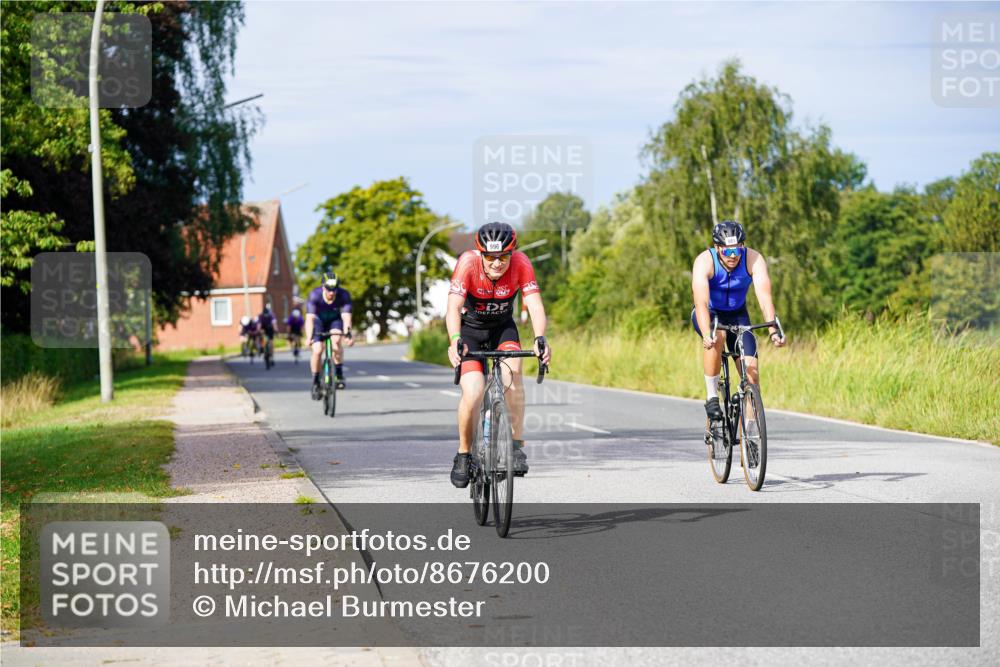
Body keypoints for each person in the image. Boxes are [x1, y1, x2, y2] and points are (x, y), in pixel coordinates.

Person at [446, 222, 552, 488]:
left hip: (503, 329)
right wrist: (455, 340)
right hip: (470, 332)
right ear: (481, 254)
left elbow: (536, 305)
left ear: (512, 253)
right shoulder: (467, 264)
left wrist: (540, 338)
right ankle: (463, 454)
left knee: (513, 377)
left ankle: (515, 445)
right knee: (473, 392)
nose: (497, 263)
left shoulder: (522, 264)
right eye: (490, 257)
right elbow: (453, 308)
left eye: (503, 256)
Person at [690, 220, 786, 439]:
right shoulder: (705, 261)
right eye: (728, 250)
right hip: (710, 314)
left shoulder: (754, 259)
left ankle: (751, 435)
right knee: (718, 336)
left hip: (738, 315)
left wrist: (773, 330)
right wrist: (707, 333)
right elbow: (701, 303)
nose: (733, 255)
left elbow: (764, 297)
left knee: (752, 376)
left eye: (738, 249)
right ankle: (712, 396)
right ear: (717, 248)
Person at [304, 270, 354, 397]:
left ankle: (339, 374)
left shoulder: (343, 295)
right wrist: (309, 337)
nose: (332, 292)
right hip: (318, 321)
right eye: (328, 289)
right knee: (317, 349)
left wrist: (348, 334)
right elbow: (310, 319)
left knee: (336, 342)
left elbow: (346, 318)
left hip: (334, 321)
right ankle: (315, 381)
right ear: (323, 287)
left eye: (334, 289)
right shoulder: (315, 295)